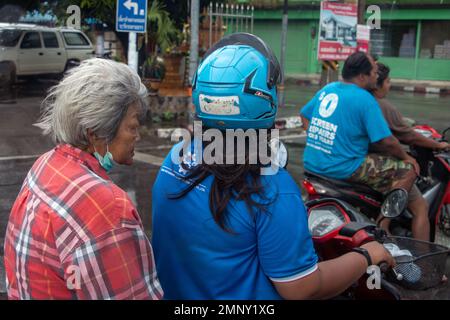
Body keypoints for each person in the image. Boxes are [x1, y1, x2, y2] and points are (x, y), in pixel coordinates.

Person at [151, 33, 394, 300]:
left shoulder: (177, 156)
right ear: (266, 100)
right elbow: (301, 288)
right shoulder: (269, 186)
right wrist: (367, 255)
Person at [3, 58, 163, 300]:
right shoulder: (106, 208)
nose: (138, 137)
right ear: (96, 134)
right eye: (132, 127)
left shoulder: (48, 163)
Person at [300, 52, 419, 205]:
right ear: (363, 76)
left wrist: (316, 138)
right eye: (375, 73)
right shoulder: (365, 100)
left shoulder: (329, 88)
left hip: (312, 162)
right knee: (408, 170)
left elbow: (304, 115)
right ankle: (384, 221)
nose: (377, 77)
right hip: (344, 168)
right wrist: (407, 158)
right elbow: (387, 141)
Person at [370, 62, 449, 240]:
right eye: (388, 81)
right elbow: (407, 136)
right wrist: (439, 145)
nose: (389, 85)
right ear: (377, 82)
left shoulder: (356, 99)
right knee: (420, 203)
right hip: (376, 163)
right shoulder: (381, 105)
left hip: (355, 160)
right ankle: (421, 256)